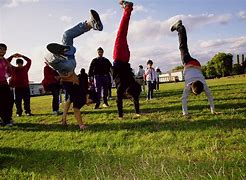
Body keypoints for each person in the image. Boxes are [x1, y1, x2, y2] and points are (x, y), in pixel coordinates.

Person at [45, 9, 103, 130]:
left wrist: (64, 118)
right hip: (68, 66)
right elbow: (76, 111)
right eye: (90, 102)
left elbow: (68, 103)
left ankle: (90, 24)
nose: (88, 104)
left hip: (66, 67)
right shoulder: (81, 97)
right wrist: (81, 125)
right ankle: (61, 53)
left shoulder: (78, 95)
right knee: (57, 57)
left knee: (66, 35)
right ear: (88, 95)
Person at [171, 20, 217, 117]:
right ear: (191, 86)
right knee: (182, 46)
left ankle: (180, 28)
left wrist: (213, 111)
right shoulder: (188, 86)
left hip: (197, 65)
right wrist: (185, 113)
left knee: (184, 47)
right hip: (188, 63)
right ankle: (179, 28)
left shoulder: (204, 84)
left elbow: (211, 98)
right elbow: (184, 99)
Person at [112, 1, 141, 119]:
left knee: (123, 34)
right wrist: (120, 116)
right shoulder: (122, 87)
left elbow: (135, 96)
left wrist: (137, 112)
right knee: (121, 33)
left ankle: (127, 9)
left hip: (125, 58)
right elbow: (119, 100)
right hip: (119, 57)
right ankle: (127, 9)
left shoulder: (131, 83)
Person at [0, 43, 14, 126]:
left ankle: (7, 118)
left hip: (4, 83)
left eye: (4, 49)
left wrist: (10, 76)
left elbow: (10, 70)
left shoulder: (4, 60)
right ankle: (5, 120)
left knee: (10, 101)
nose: (2, 51)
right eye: (0, 49)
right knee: (2, 102)